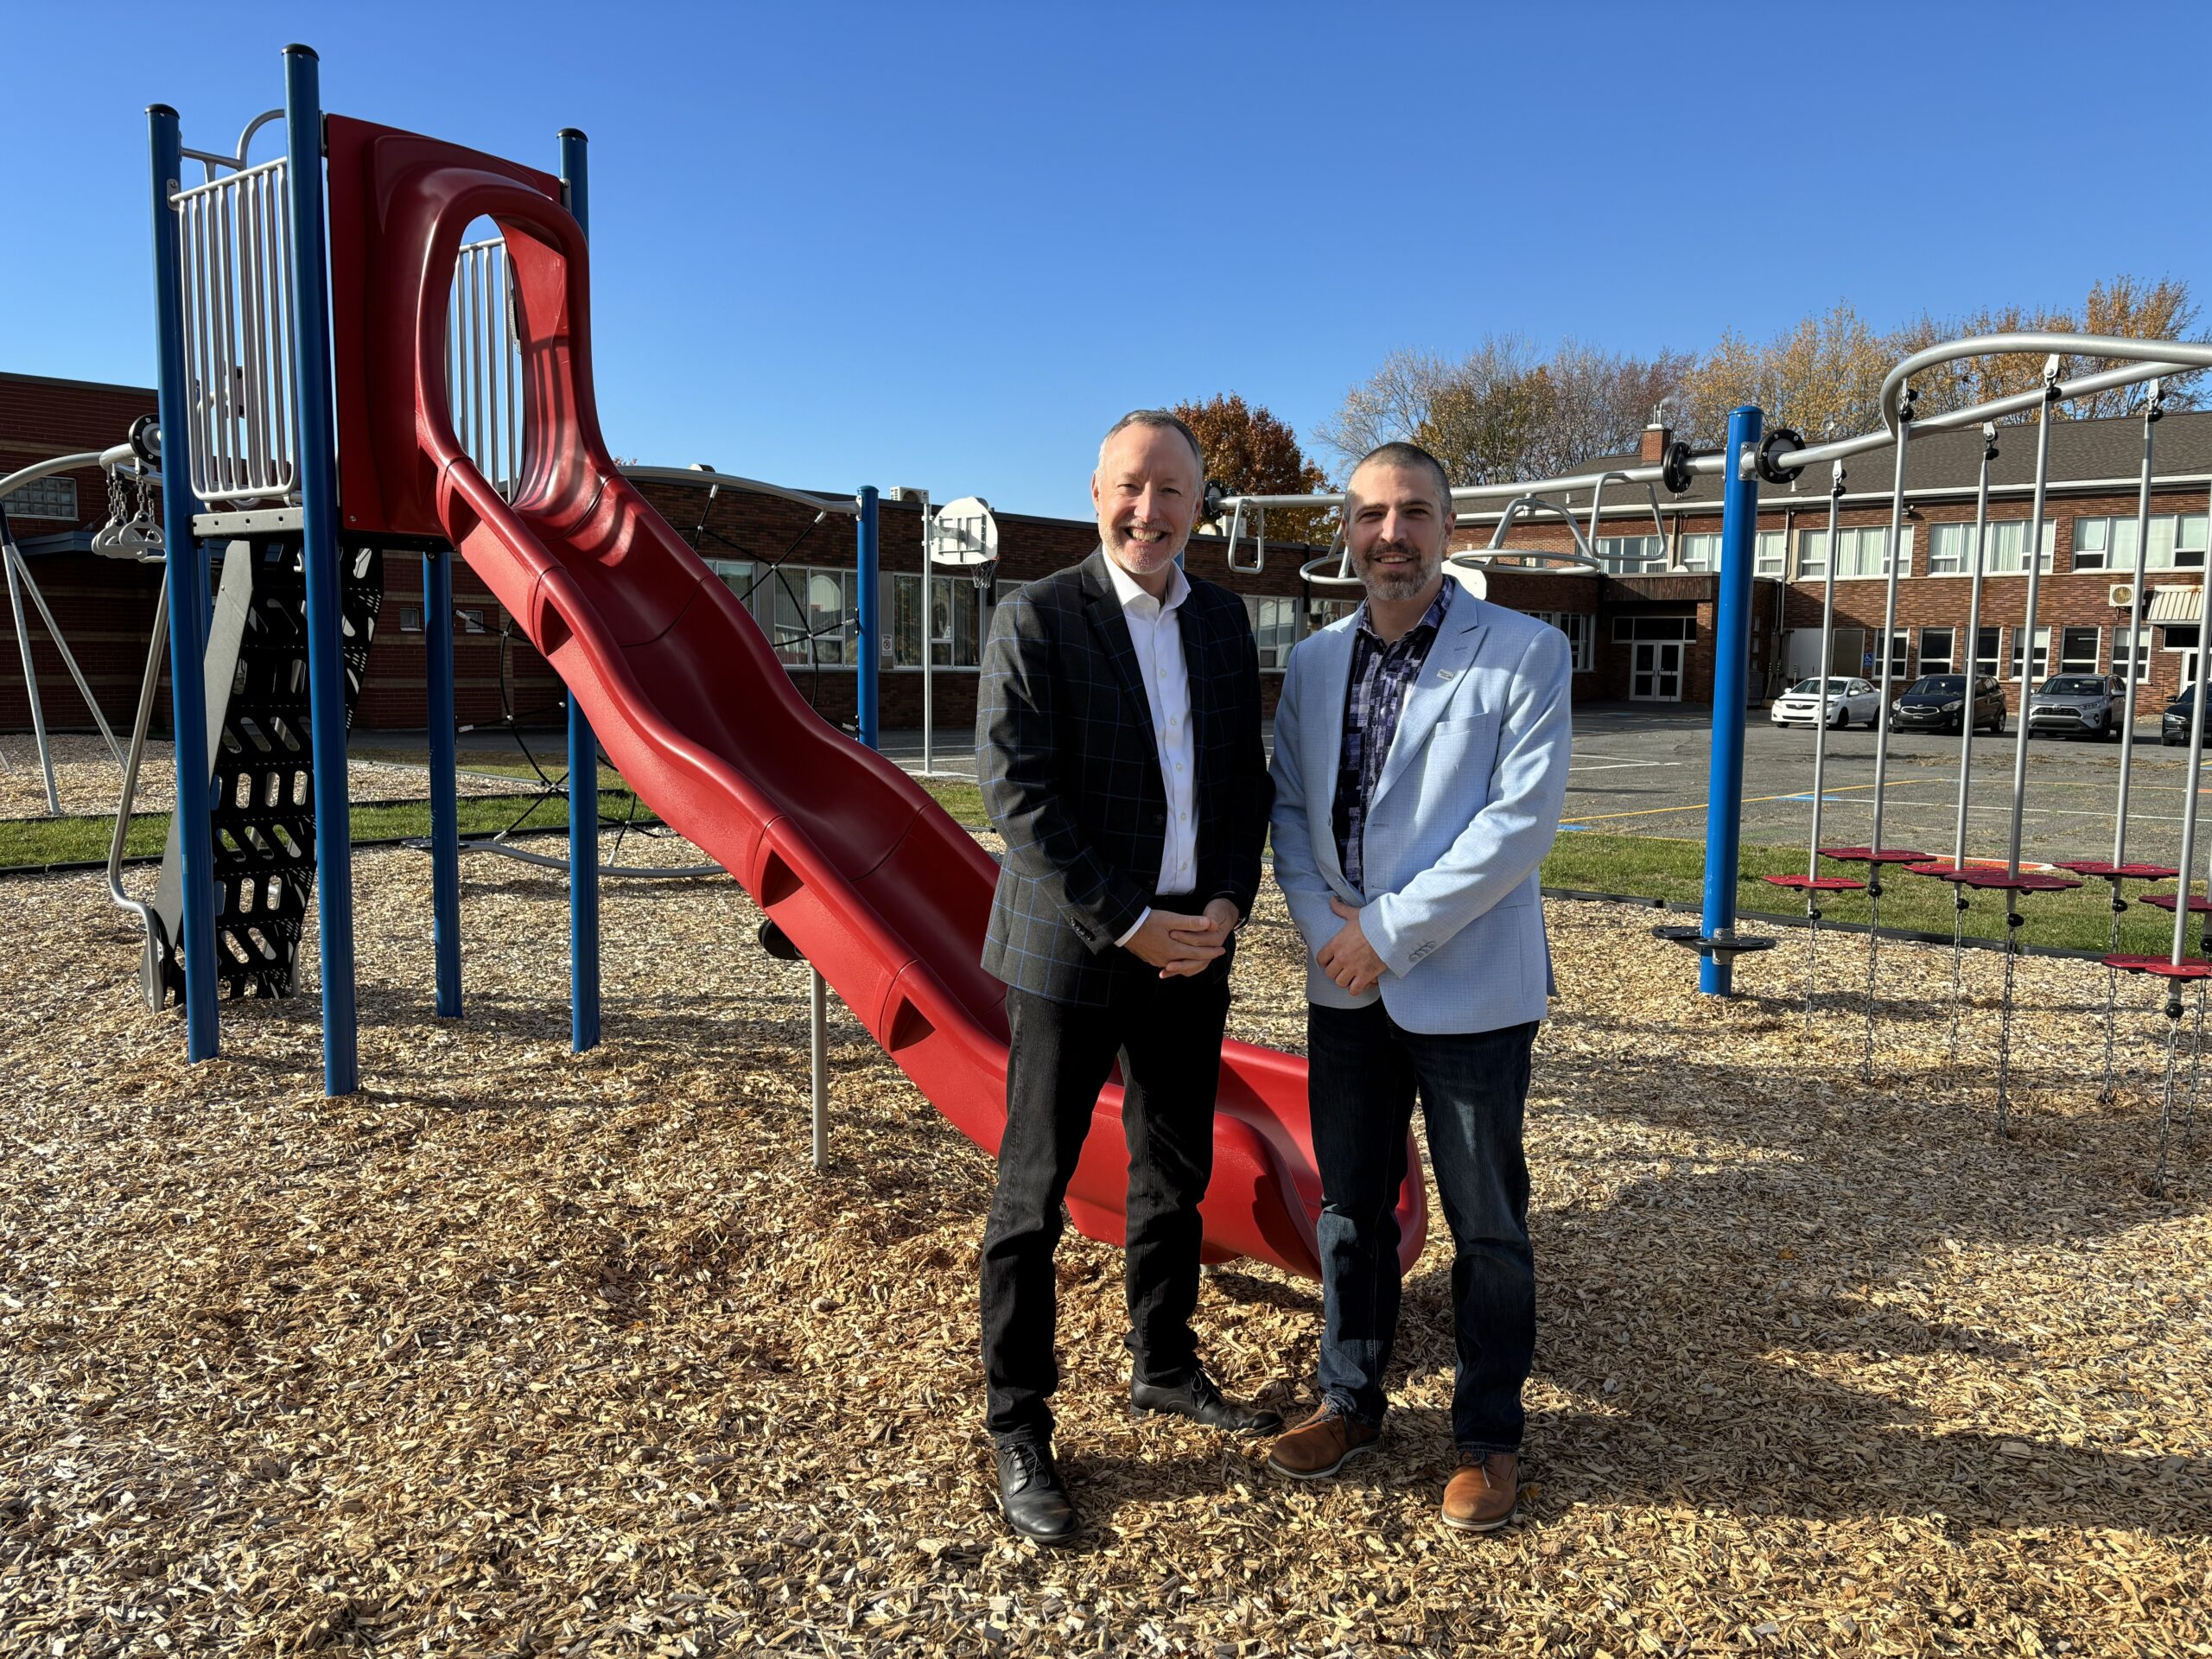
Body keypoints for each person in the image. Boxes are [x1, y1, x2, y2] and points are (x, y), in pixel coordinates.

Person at [974, 409, 1279, 1545]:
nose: (1150, 511)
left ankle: (1163, 1361)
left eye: (1174, 493)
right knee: (1033, 1195)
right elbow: (1019, 799)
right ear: (1095, 489)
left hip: (1194, 952)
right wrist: (1133, 924)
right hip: (1071, 953)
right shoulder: (1039, 616)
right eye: (1131, 487)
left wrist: (1227, 907)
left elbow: (1241, 786)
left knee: (1174, 1171)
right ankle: (1020, 1423)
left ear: (1201, 509)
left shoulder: (1223, 622)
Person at [1262, 440, 1571, 1533]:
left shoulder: (1524, 652)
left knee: (1487, 1222)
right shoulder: (1310, 664)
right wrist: (1325, 933)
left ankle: (1487, 1437)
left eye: (1414, 513)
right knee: (1348, 1207)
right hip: (1343, 986)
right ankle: (1348, 1401)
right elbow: (1290, 816)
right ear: (1346, 531)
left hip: (1469, 990)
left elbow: (1516, 828)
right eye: (1370, 515)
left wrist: (1384, 934)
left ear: (1450, 528)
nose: (1390, 534)